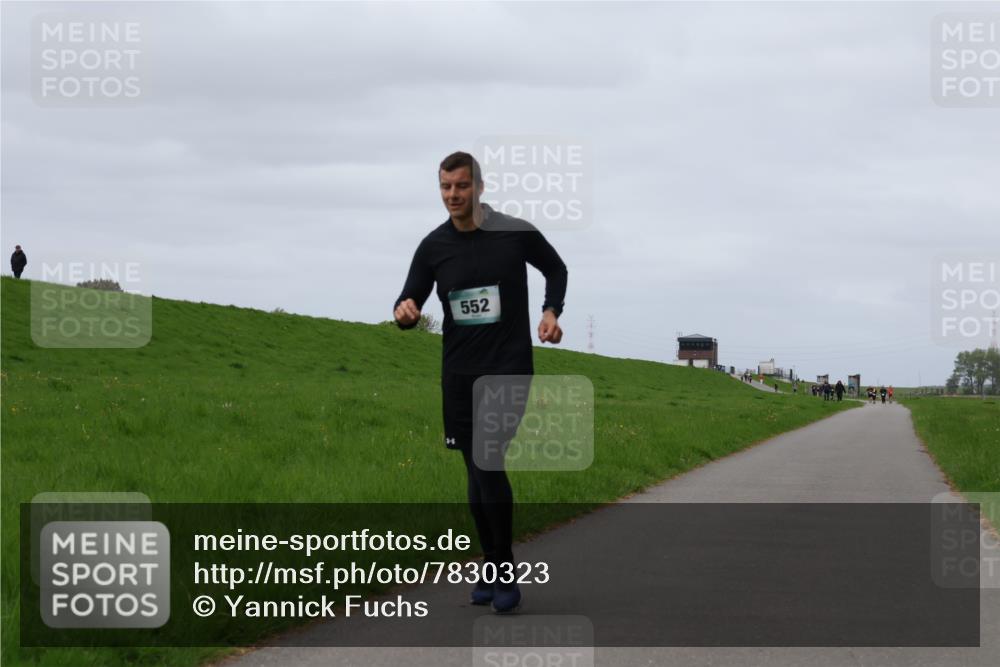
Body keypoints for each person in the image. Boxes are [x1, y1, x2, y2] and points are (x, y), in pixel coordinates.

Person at [393, 151, 567, 614]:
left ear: (480, 187)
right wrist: (404, 312)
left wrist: (551, 311)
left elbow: (556, 268)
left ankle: (505, 570)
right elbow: (408, 296)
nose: (453, 195)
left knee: (487, 459)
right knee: (474, 467)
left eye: (462, 186)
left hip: (508, 366)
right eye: (446, 188)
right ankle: (491, 567)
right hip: (459, 374)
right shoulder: (434, 247)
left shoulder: (514, 232)